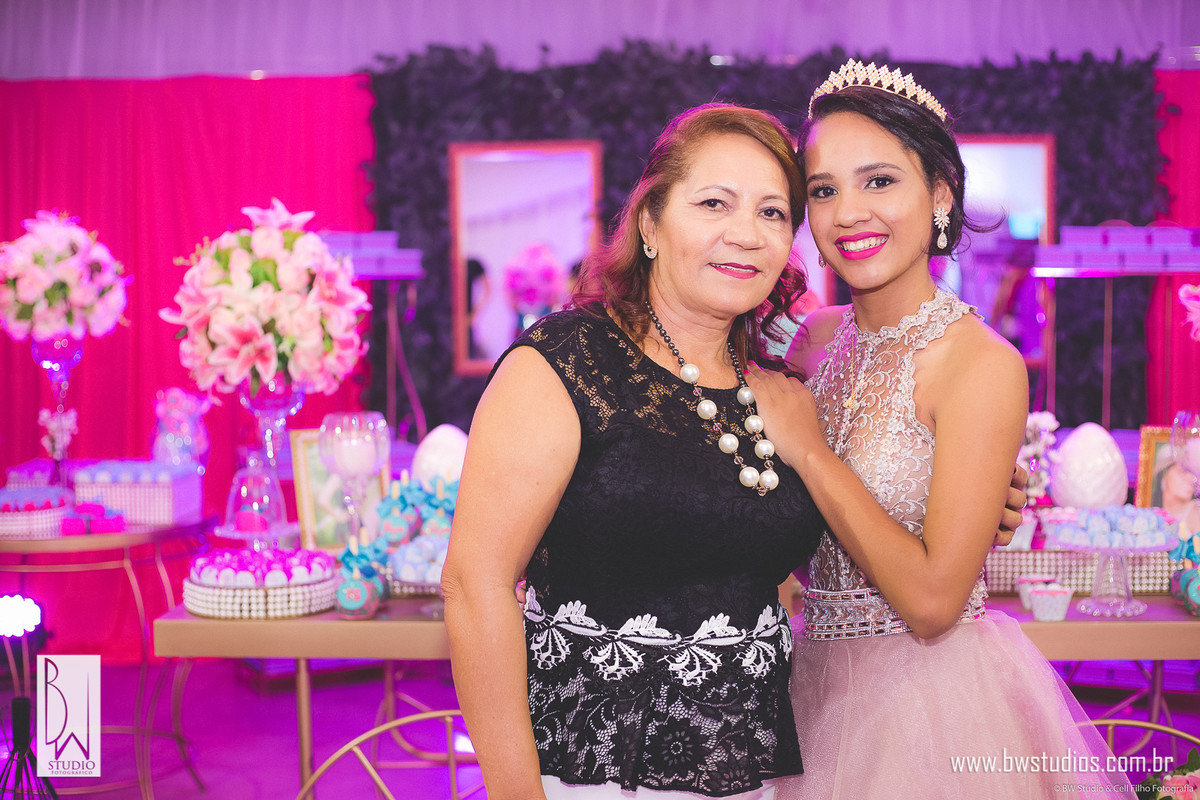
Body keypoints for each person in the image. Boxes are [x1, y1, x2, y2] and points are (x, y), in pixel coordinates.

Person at [744, 60, 1134, 798]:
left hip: (928, 710)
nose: (848, 212)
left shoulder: (980, 364)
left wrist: (812, 454)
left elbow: (931, 604)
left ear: (941, 194)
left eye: (879, 181)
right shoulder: (811, 343)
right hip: (802, 686)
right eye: (823, 190)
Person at [443, 103, 829, 798]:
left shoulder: (777, 387)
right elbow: (476, 587)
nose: (746, 234)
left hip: (755, 773)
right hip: (594, 775)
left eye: (772, 213)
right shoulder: (568, 359)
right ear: (650, 223)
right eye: (714, 203)